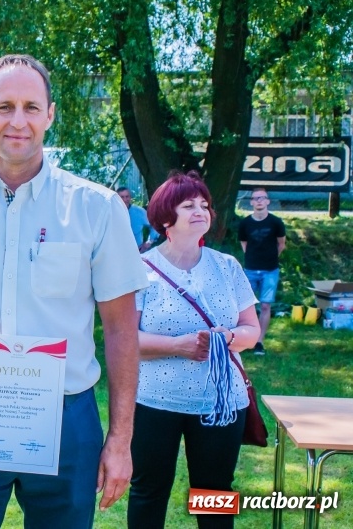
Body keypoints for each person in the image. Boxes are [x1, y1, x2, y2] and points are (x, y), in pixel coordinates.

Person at [0, 54, 149, 528]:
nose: (17, 121)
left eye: (29, 106)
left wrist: (120, 440)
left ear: (50, 114)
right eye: (3, 107)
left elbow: (123, 330)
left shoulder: (97, 209)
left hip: (67, 418)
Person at [128, 171, 261, 529]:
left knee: (214, 493)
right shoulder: (140, 270)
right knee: (148, 490)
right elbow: (125, 341)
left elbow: (252, 330)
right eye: (189, 205)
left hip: (220, 404)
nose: (200, 210)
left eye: (204, 204)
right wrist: (178, 346)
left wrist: (228, 338)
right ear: (165, 217)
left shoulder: (227, 267)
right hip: (155, 402)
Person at [238, 187, 286, 356]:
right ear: (251, 202)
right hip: (250, 270)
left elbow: (281, 244)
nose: (259, 201)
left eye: (262, 198)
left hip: (270, 271)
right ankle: (243, 341)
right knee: (246, 306)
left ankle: (259, 342)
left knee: (265, 306)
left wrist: (271, 258)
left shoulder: (276, 222)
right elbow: (244, 244)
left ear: (267, 201)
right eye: (255, 198)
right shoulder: (245, 223)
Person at [117, 186, 159, 252]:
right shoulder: (111, 213)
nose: (125, 200)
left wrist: (149, 241)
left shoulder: (139, 212)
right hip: (117, 252)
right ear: (117, 198)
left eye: (127, 196)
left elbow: (154, 225)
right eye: (122, 197)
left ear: (130, 197)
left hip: (137, 252)